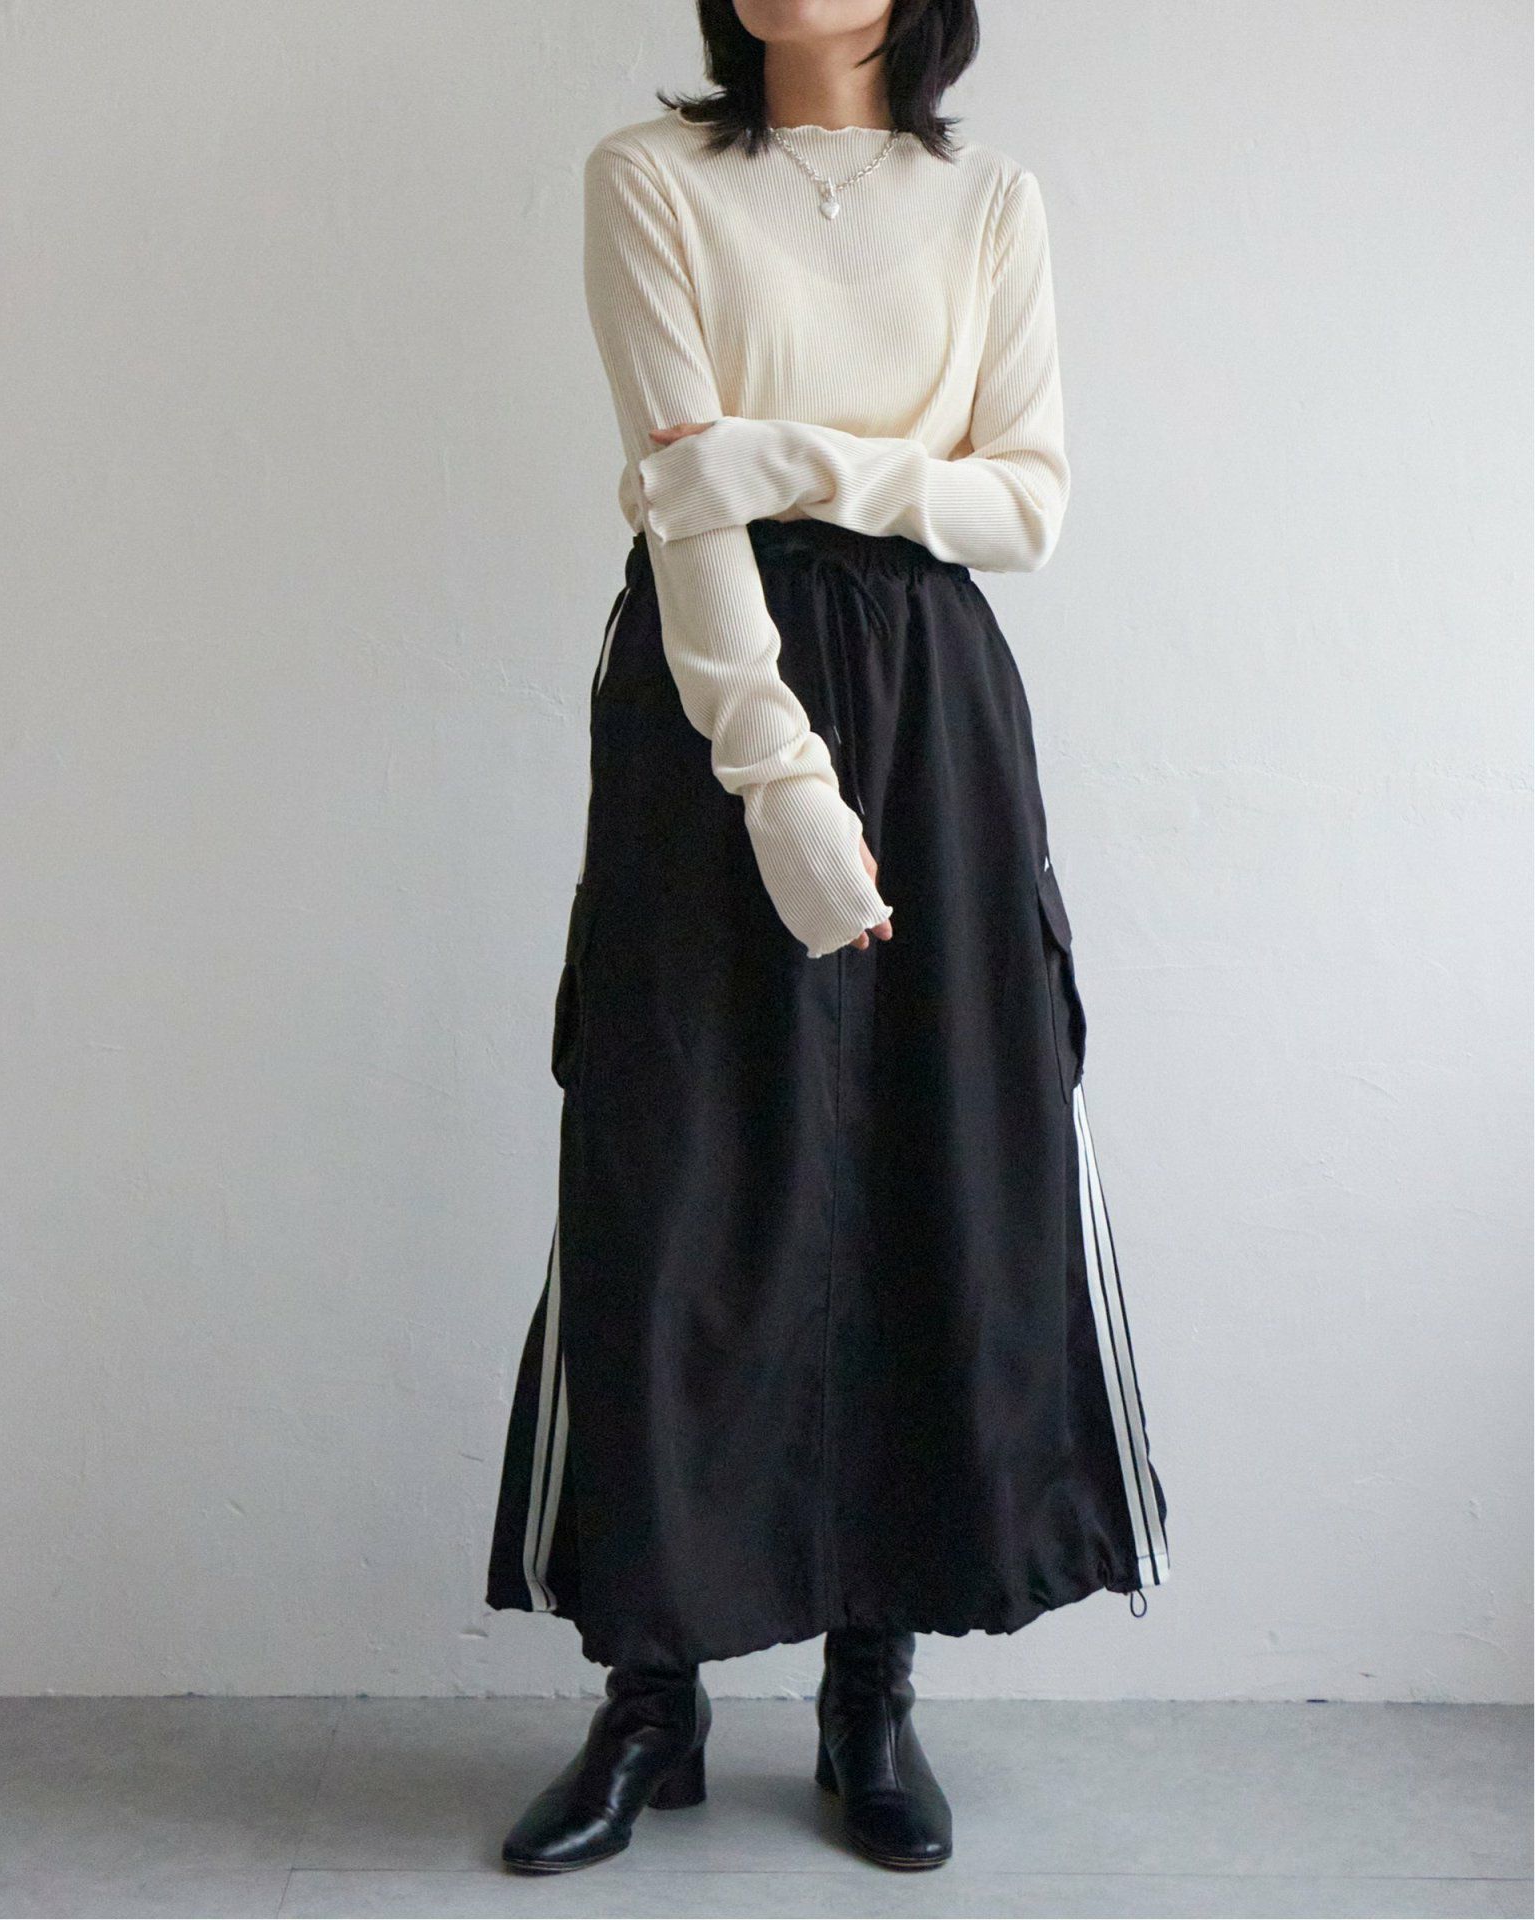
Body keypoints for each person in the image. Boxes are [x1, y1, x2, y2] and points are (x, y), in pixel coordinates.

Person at [484, 0, 1170, 1874]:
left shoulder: (991, 201)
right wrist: (778, 783)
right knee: (675, 1167)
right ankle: (650, 1696)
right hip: (714, 700)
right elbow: (682, 518)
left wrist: (783, 452)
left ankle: (874, 1686)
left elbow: (1024, 507)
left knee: (928, 1159)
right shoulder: (653, 179)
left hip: (938, 701)